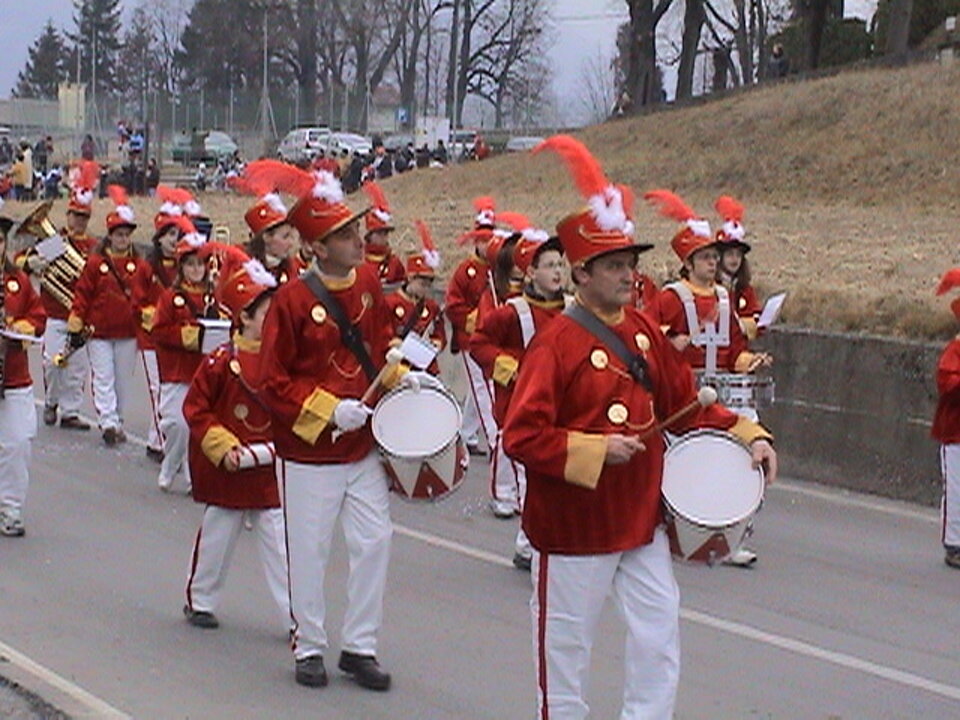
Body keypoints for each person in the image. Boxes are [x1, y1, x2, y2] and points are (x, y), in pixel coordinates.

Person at [502, 134, 777, 720]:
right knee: (565, 653)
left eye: (630, 263)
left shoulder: (644, 330)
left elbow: (686, 400)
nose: (630, 275)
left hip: (639, 518)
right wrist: (596, 450)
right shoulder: (554, 344)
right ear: (581, 273)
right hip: (574, 526)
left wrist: (747, 433)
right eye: (615, 266)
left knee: (658, 637)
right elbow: (521, 436)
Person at [253, 160, 408, 691]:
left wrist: (400, 369)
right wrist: (328, 409)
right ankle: (310, 645)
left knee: (375, 541)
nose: (359, 240)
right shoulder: (292, 300)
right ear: (315, 247)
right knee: (309, 550)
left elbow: (381, 341)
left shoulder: (368, 281)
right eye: (344, 235)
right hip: (309, 452)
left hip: (361, 446)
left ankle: (360, 645)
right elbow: (272, 381)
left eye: (355, 229)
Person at [647, 189, 771, 567]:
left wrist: (750, 361)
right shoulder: (671, 298)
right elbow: (648, 342)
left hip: (722, 392)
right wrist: (673, 344)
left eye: (715, 257)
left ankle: (733, 533)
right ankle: (675, 526)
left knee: (736, 461)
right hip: (685, 396)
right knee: (683, 464)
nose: (713, 263)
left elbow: (733, 350)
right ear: (687, 263)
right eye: (705, 257)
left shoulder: (724, 298)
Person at [182, 254, 290, 630]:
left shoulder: (283, 362)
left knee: (282, 549)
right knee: (217, 538)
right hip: (231, 468)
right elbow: (196, 408)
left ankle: (297, 618)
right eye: (267, 314)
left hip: (268, 470)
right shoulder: (219, 362)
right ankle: (201, 600)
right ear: (244, 317)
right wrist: (224, 447)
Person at [469, 215, 567, 569]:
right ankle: (534, 545)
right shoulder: (512, 313)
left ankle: (528, 543)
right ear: (531, 272)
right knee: (529, 476)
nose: (558, 272)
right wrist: (511, 370)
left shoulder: (573, 310)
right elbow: (479, 344)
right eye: (549, 265)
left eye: (560, 264)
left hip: (561, 409)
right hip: (521, 409)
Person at [19, 161, 100, 431]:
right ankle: (52, 402)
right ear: (68, 216)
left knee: (77, 368)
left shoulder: (93, 247)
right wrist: (32, 263)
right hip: (55, 312)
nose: (79, 221)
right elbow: (21, 261)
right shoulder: (57, 242)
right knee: (53, 363)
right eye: (76, 215)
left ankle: (71, 412)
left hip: (81, 314)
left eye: (84, 217)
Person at [67, 185, 150, 446]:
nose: (123, 239)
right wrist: (77, 318)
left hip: (126, 332)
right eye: (76, 215)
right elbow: (82, 292)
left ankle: (117, 420)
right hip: (96, 330)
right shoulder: (84, 255)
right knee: (101, 377)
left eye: (126, 235)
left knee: (122, 381)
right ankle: (107, 421)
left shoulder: (138, 264)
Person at [151, 218, 224, 493]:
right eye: (191, 264)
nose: (196, 270)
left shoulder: (213, 297)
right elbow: (159, 331)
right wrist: (190, 336)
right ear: (181, 267)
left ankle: (194, 477)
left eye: (200, 264)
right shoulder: (170, 298)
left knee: (199, 427)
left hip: (203, 372)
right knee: (177, 425)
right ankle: (170, 464)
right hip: (177, 371)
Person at [135, 186, 194, 463]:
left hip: (177, 340)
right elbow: (137, 302)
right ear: (158, 238)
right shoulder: (147, 267)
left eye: (179, 235)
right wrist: (157, 318)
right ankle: (159, 442)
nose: (174, 241)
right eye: (170, 235)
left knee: (172, 389)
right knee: (157, 388)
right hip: (152, 338)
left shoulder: (186, 268)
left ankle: (161, 439)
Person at [0, 204, 46, 537]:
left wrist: (21, 328)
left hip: (13, 377)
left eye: (0, 240)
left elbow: (38, 317)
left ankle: (10, 507)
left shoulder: (18, 281)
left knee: (18, 444)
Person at [445, 196, 499, 459]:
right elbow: (453, 306)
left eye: (490, 239)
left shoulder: (499, 269)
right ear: (475, 242)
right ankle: (494, 438)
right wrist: (478, 320)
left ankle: (466, 433)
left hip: (494, 338)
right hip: (471, 339)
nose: (487, 245)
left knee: (483, 387)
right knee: (483, 388)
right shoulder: (464, 270)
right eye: (482, 240)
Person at [384, 221, 446, 375]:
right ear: (411, 278)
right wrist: (396, 344)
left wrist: (435, 344)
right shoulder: (390, 303)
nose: (426, 288)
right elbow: (383, 335)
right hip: (399, 368)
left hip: (426, 368)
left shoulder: (432, 307)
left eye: (429, 284)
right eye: (422, 283)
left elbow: (440, 334)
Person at [933, 269, 960, 569]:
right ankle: (954, 544)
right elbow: (947, 383)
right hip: (955, 434)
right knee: (956, 489)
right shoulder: (954, 350)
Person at [234, 174, 301, 286]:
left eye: (291, 236)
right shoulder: (240, 263)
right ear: (266, 237)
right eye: (285, 237)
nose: (291, 243)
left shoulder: (289, 268)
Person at [715, 195, 762, 340]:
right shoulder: (712, 287)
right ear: (720, 258)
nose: (734, 259)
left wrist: (746, 325)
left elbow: (757, 320)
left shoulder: (745, 289)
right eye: (730, 255)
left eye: (738, 255)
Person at [361, 181, 405, 288]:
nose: (384, 237)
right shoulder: (360, 261)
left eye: (385, 233)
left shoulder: (394, 262)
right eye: (379, 233)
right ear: (370, 236)